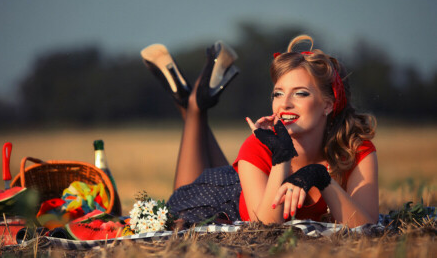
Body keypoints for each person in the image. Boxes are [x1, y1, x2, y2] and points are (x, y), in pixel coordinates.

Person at [141, 35, 378, 228]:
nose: (284, 104)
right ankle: (193, 106)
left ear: (328, 104)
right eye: (278, 93)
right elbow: (265, 227)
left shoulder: (355, 149)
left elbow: (368, 228)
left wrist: (319, 176)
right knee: (178, 206)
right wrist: (281, 156)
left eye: (300, 93)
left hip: (246, 179)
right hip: (218, 200)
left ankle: (192, 103)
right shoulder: (258, 145)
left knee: (227, 156)